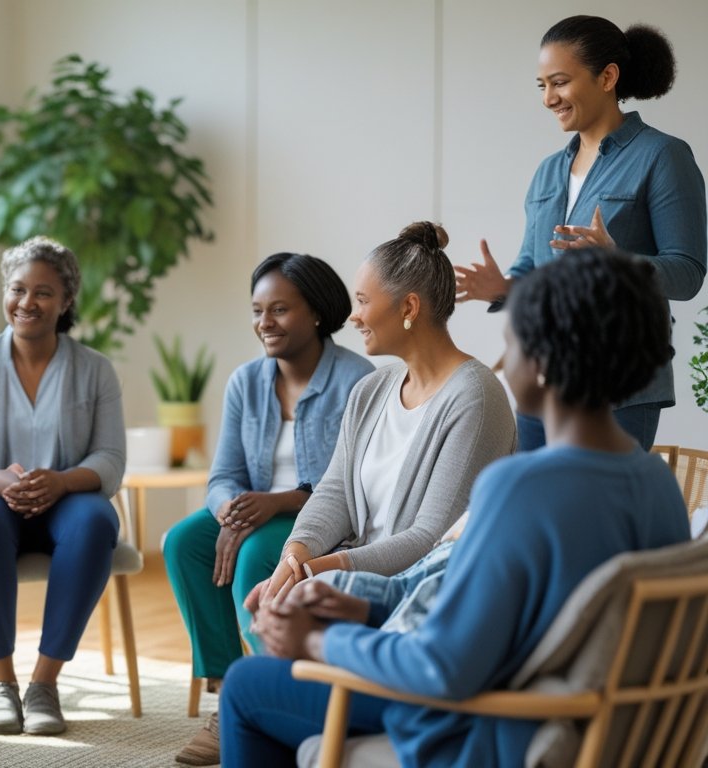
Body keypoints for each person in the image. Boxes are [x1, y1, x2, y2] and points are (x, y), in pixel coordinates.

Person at [221, 248, 692, 767]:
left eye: (511, 341)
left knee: (246, 682)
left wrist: (316, 643)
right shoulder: (657, 484)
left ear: (544, 359)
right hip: (567, 717)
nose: (502, 359)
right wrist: (364, 605)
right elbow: (500, 608)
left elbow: (443, 666)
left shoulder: (520, 488)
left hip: (481, 722)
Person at [454, 15, 706, 451]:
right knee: (538, 508)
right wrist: (503, 287)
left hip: (621, 387)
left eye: (560, 82)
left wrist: (618, 260)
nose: (549, 98)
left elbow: (687, 273)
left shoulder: (663, 156)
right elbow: (533, 271)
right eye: (541, 86)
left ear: (607, 77)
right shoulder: (548, 171)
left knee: (599, 515)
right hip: (542, 378)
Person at [163, 253, 373, 766]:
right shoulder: (245, 383)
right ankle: (226, 689)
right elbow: (223, 476)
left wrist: (275, 504)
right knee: (183, 542)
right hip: (253, 511)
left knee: (258, 552)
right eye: (257, 311)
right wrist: (230, 512)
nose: (264, 323)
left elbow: (350, 485)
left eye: (279, 310)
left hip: (325, 521)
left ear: (318, 313)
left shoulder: (358, 380)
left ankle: (269, 689)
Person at [254, 222, 515, 610]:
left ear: (408, 307)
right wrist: (296, 555)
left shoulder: (474, 397)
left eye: (362, 301)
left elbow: (431, 537)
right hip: (357, 581)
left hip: (418, 596)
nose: (353, 317)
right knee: (265, 589)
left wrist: (320, 572)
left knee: (281, 618)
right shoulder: (371, 389)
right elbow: (335, 492)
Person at [0, 236, 125, 736]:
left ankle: (43, 684)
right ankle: (1, 685)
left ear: (66, 300)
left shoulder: (95, 369)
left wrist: (60, 481)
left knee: (97, 519)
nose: (27, 303)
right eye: (17, 289)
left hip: (63, 502)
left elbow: (110, 460)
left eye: (43, 292)